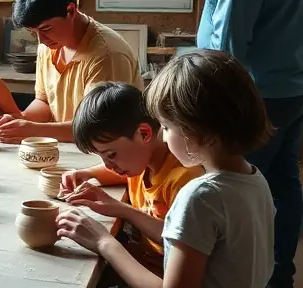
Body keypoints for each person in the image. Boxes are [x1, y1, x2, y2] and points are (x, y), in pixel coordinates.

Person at [49, 50, 274, 288]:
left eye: (166, 127)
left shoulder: (200, 195)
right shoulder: (252, 179)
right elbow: (188, 242)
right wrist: (121, 212)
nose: (163, 138)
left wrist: (104, 242)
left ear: (200, 129)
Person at [181, 0, 303, 288]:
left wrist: (200, 101)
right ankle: (278, 282)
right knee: (283, 184)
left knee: (233, 190)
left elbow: (227, 44)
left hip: (255, 96)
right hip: (291, 89)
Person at [62, 82, 202, 273]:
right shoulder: (139, 162)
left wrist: (122, 209)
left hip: (169, 278)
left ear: (143, 133)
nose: (108, 165)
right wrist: (87, 174)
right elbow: (114, 172)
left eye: (111, 155)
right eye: (101, 157)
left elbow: (181, 242)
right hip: (143, 259)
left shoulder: (185, 179)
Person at [0, 0, 141, 144]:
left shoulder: (106, 55)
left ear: (71, 10)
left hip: (109, 154)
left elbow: (96, 128)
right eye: (33, 32)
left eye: (46, 28)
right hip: (68, 146)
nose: (40, 40)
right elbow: (44, 102)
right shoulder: (49, 45)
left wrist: (31, 129)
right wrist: (20, 120)